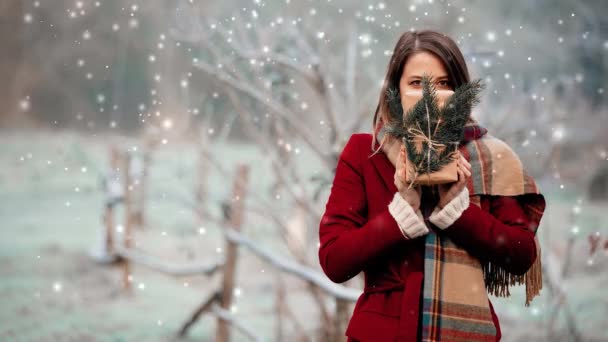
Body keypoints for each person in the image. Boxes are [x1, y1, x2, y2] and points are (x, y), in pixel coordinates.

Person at [317, 30, 546, 342]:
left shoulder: (489, 157)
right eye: (416, 83)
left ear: (460, 91)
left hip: (465, 331)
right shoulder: (365, 152)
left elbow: (521, 255)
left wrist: (459, 211)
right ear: (394, 91)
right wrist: (400, 213)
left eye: (443, 84)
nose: (429, 97)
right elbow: (335, 260)